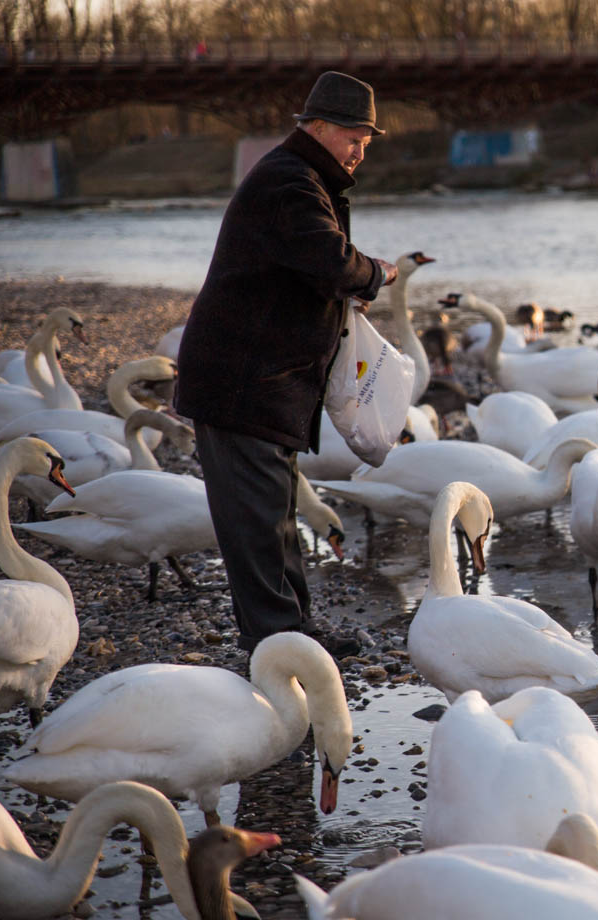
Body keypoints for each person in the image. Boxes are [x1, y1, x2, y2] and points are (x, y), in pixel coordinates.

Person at [175, 71, 398, 657]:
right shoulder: (290, 183)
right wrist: (376, 273)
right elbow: (331, 260)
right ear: (316, 127)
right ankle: (277, 644)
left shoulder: (300, 178)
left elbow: (308, 265)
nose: (360, 152)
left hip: (264, 381)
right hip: (242, 383)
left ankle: (295, 632)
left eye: (366, 143)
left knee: (274, 512)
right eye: (353, 138)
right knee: (256, 522)